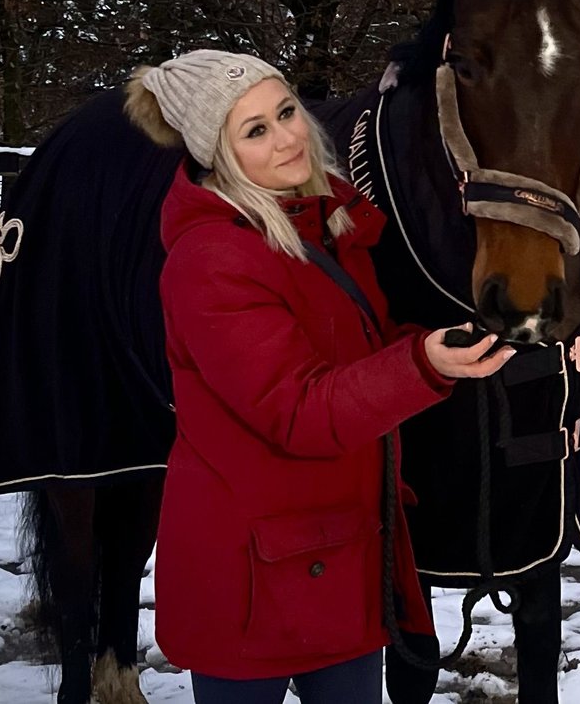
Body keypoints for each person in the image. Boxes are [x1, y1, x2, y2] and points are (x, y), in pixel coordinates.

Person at [124, 49, 514, 704]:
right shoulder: (212, 260)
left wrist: (434, 346)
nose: (287, 138)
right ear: (218, 156)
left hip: (339, 551)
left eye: (286, 112)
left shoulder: (318, 221)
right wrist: (420, 366)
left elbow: (350, 357)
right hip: (250, 574)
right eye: (255, 131)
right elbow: (297, 409)